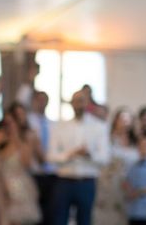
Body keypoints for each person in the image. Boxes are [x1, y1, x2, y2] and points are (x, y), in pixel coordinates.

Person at [48, 90, 110, 225]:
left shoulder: (99, 126)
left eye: (81, 101)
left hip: (86, 182)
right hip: (64, 182)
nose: (78, 105)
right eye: (75, 101)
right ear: (71, 104)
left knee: (85, 220)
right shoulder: (60, 126)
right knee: (59, 219)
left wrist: (89, 155)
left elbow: (104, 158)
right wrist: (70, 155)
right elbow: (51, 156)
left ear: (87, 103)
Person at [93, 108, 139, 225]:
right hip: (111, 183)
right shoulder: (108, 139)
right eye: (122, 119)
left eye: (128, 119)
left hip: (133, 182)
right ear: (116, 120)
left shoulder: (136, 141)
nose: (125, 122)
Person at [0, 104, 42, 225]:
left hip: (20, 189)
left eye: (12, 122)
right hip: (0, 188)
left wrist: (16, 138)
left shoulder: (26, 139)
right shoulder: (0, 139)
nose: (10, 126)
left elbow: (27, 163)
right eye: (7, 123)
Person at [27, 91, 56, 225]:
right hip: (33, 172)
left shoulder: (53, 124)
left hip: (51, 173)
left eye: (45, 100)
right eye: (39, 99)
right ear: (34, 101)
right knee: (34, 211)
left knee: (50, 211)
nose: (42, 103)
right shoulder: (28, 121)